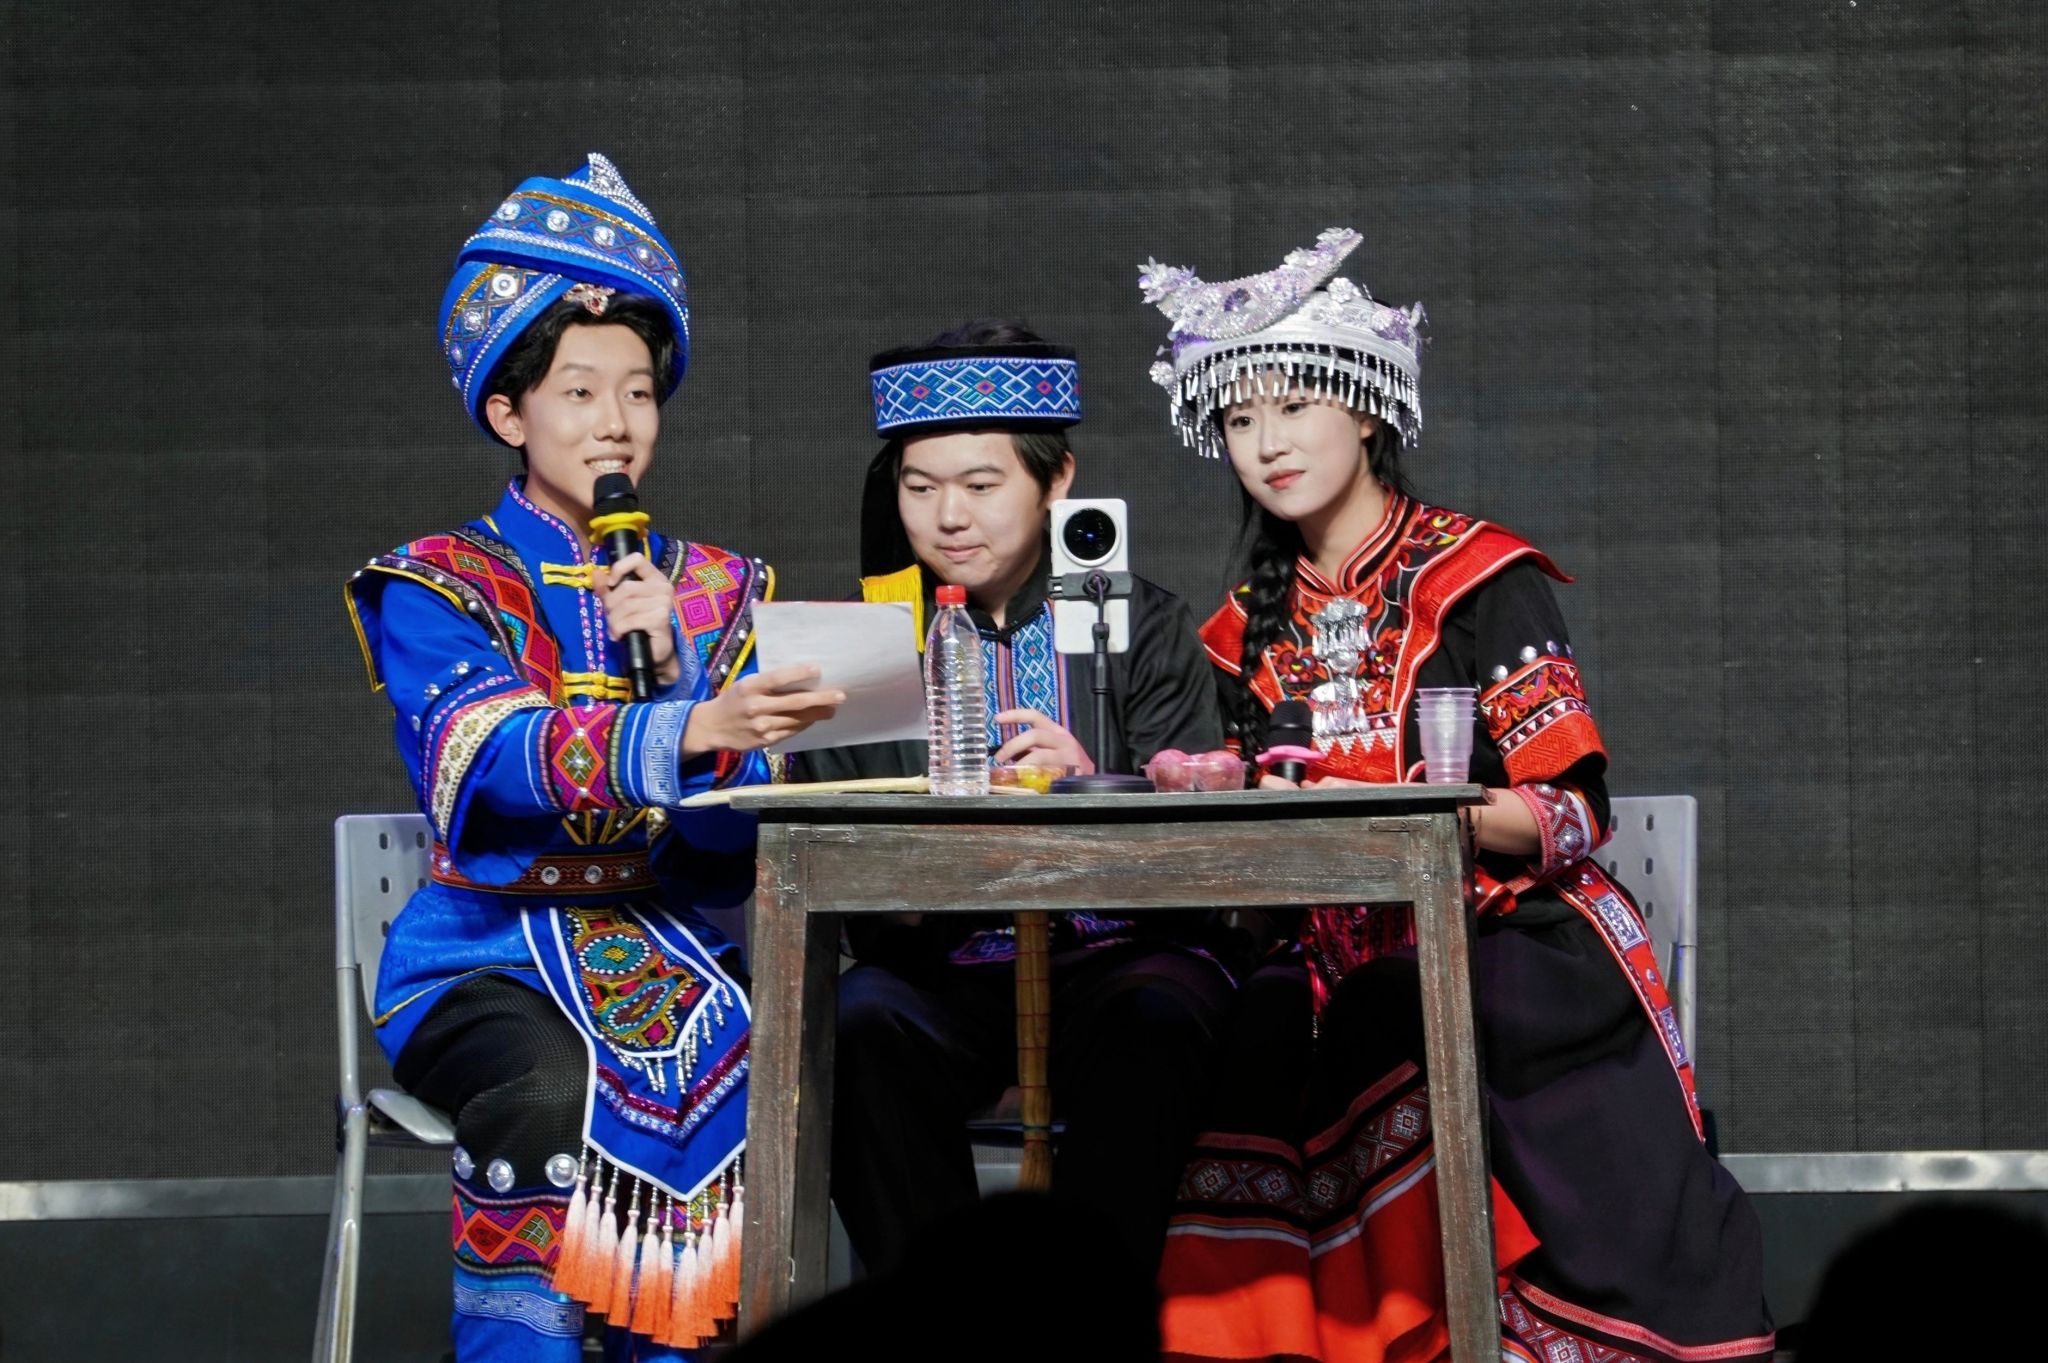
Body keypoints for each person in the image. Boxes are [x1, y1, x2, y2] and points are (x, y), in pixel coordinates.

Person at [1138, 230, 1775, 1362]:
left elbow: (1570, 814)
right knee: (1249, 1024)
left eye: (1294, 406)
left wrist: (1406, 809)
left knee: (1397, 1003)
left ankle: (1481, 1329)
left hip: (1504, 921)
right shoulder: (1242, 631)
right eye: (1238, 421)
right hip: (1325, 947)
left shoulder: (1479, 577)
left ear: (1364, 410)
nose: (1266, 443)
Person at [345, 153, 839, 1362]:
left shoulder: (715, 588)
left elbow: (725, 860)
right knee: (547, 1083)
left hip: (664, 939)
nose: (615, 422)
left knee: (774, 1061)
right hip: (482, 952)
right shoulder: (434, 583)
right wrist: (687, 728)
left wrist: (677, 675)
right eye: (578, 392)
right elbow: (489, 758)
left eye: (637, 392)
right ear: (509, 414)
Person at [795, 320, 1237, 1280]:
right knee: (857, 1022)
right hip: (944, 970)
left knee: (1162, 1014)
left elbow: (1203, 851)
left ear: (1056, 479)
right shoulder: (862, 644)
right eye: (920, 488)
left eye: (981, 485)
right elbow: (842, 879)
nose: (948, 516)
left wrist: (1092, 782)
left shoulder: (1143, 622)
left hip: (1115, 959)